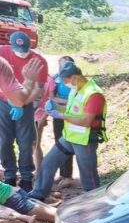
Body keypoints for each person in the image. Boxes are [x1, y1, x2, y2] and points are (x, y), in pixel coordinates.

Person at [29, 62, 107, 201]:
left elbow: (86, 121)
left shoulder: (94, 94)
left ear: (74, 77)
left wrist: (61, 116)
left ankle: (96, 203)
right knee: (48, 163)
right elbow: (71, 110)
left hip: (85, 140)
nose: (65, 84)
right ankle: (38, 195)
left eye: (65, 81)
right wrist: (56, 108)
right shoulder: (75, 90)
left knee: (88, 176)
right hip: (69, 138)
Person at [0, 31, 49, 191]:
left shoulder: (39, 60)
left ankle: (27, 178)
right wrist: (11, 99)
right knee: (4, 141)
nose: (22, 54)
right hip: (3, 101)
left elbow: (38, 88)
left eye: (25, 50)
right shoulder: (2, 53)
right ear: (11, 45)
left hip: (26, 103)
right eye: (18, 50)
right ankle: (10, 176)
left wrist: (21, 104)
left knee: (26, 142)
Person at [51, 56, 75, 188]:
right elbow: (50, 96)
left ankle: (68, 176)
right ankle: (63, 173)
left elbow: (78, 99)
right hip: (59, 116)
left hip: (73, 116)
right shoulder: (55, 78)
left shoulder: (76, 80)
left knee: (69, 143)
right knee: (59, 143)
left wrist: (59, 100)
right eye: (61, 65)